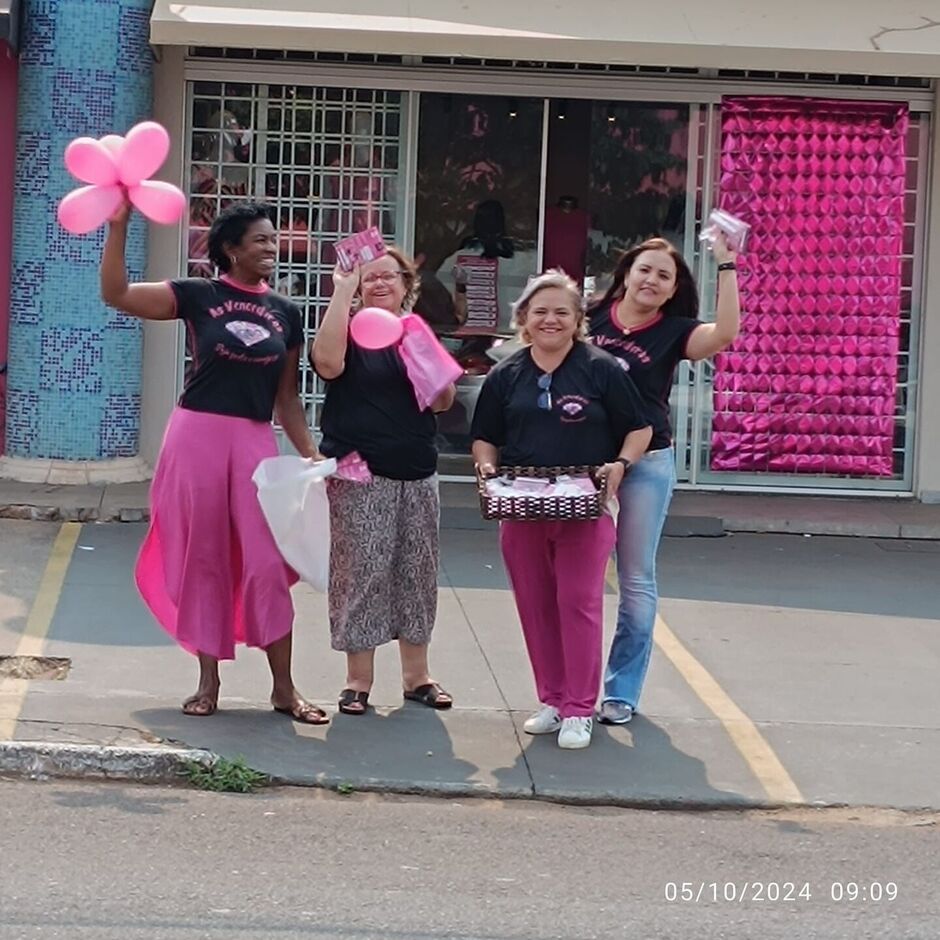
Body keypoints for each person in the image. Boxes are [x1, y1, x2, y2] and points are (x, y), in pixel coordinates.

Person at [100, 201, 328, 725]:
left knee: (268, 561)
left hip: (252, 440)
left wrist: (313, 455)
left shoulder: (286, 313)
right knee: (204, 556)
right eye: (262, 241)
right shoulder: (199, 295)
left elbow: (287, 399)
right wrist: (119, 227)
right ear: (232, 249)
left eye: (274, 241)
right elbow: (116, 294)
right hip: (197, 434)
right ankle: (208, 682)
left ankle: (285, 690)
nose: (272, 248)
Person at [471, 271, 652, 750]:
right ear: (524, 320)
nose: (550, 320)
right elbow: (485, 437)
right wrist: (488, 471)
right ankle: (552, 699)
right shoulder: (505, 374)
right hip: (522, 507)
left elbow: (640, 429)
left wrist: (620, 464)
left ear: (577, 320)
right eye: (540, 312)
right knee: (535, 605)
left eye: (561, 312)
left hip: (585, 508)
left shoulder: (601, 368)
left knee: (578, 602)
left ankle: (579, 707)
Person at [588, 234, 740, 725]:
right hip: (580, 465)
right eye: (645, 270)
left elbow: (725, 335)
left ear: (673, 288)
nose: (651, 280)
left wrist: (728, 266)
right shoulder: (587, 317)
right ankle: (568, 694)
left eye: (664, 275)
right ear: (627, 274)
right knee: (576, 582)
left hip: (647, 465)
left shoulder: (675, 330)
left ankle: (621, 692)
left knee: (635, 580)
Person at [311, 248, 457, 716]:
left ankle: (418, 677)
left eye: (388, 277)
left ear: (405, 284)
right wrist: (342, 290)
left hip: (416, 469)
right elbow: (327, 364)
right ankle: (358, 679)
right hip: (359, 470)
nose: (379, 284)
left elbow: (443, 402)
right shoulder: (348, 328)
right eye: (368, 277)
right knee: (363, 571)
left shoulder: (416, 330)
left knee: (417, 572)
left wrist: (423, 357)